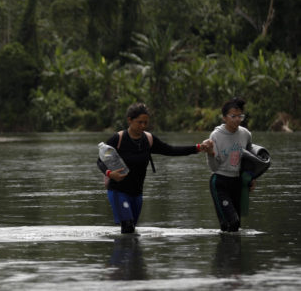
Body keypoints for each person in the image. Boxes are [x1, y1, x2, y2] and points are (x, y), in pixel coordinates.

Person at [97, 102, 213, 233]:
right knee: (128, 227)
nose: (143, 126)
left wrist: (197, 148)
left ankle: (131, 253)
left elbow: (171, 150)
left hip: (137, 193)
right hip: (118, 191)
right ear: (129, 120)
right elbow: (100, 161)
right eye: (139, 122)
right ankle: (123, 252)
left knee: (131, 230)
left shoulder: (148, 139)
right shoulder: (118, 138)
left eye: (146, 123)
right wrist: (109, 174)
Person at [206, 97, 255, 232]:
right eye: (233, 116)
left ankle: (230, 252)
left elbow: (249, 159)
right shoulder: (215, 136)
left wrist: (251, 178)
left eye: (240, 116)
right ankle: (225, 251)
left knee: (235, 227)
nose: (237, 120)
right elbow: (214, 167)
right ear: (224, 118)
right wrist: (210, 153)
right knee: (232, 223)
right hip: (220, 182)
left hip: (237, 182)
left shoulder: (246, 134)